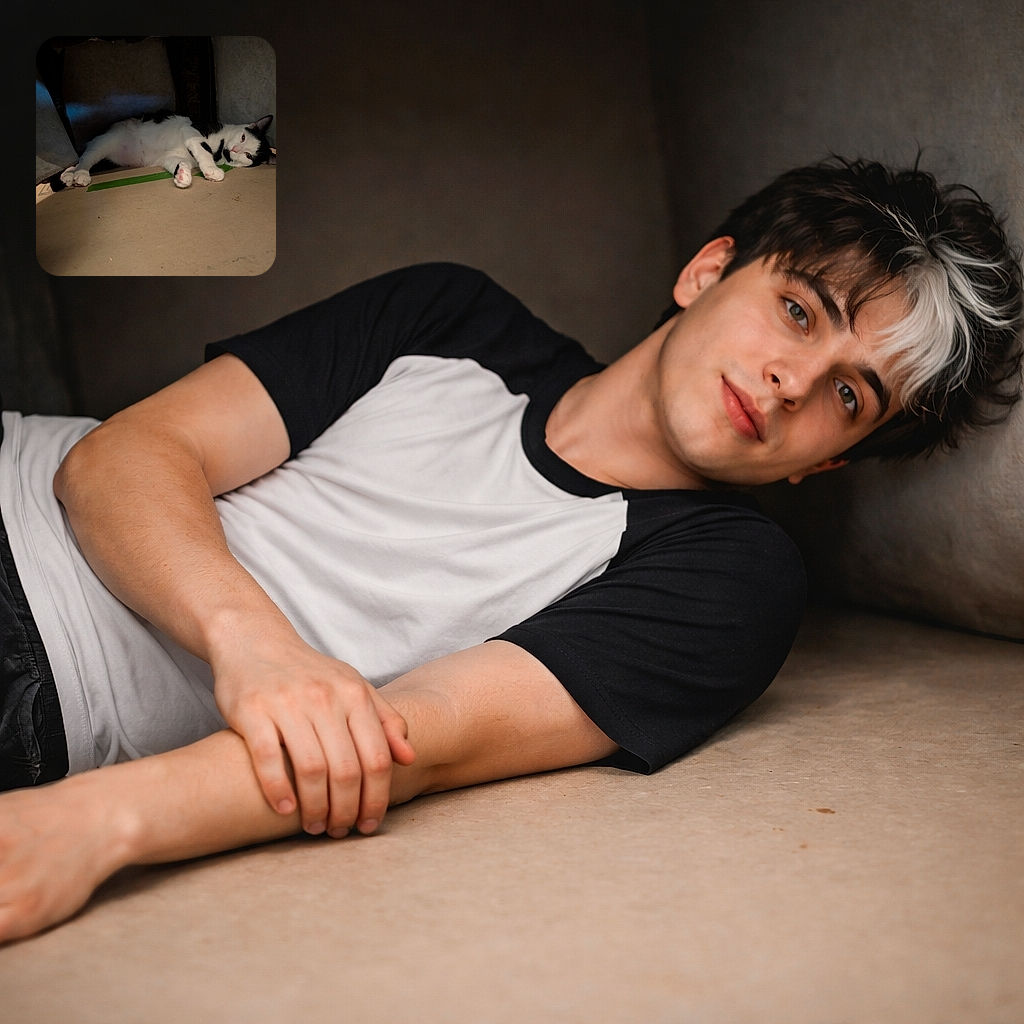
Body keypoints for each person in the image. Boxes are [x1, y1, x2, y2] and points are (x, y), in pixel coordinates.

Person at [1, 157, 1021, 942]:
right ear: (707, 270)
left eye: (848, 395)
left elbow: (419, 738)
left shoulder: (726, 578)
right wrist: (256, 647)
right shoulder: (449, 314)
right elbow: (120, 458)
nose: (792, 381)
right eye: (797, 311)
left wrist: (92, 824)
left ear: (827, 463)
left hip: (49, 687)